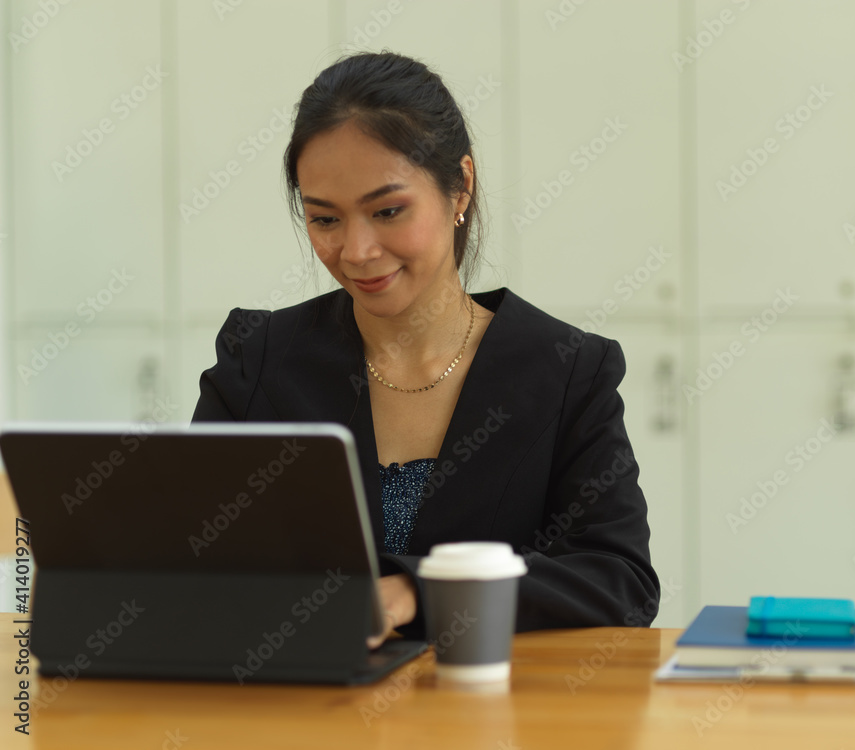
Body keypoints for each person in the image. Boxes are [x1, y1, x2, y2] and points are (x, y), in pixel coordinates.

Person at [192, 51, 659, 648]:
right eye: (325, 219)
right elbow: (191, 559)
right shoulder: (256, 359)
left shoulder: (567, 371)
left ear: (459, 186)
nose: (356, 251)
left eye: (388, 211)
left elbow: (618, 580)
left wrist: (424, 592)